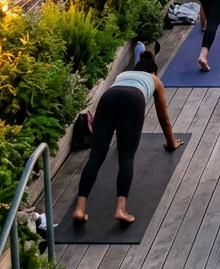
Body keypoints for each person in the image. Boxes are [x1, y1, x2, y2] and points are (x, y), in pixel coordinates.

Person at [72, 51, 182, 224]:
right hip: (133, 99)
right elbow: (164, 119)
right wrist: (171, 143)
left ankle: (79, 209)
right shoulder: (155, 81)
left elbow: (117, 110)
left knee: (96, 156)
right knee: (127, 157)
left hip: (108, 97)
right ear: (153, 72)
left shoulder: (122, 75)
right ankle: (120, 210)